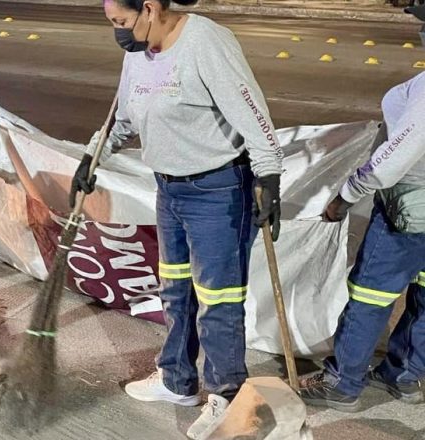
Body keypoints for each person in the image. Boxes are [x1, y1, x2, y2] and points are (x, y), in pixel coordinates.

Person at [73, 1, 283, 437]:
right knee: (176, 289)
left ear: (149, 8)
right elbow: (122, 117)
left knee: (218, 301)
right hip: (168, 189)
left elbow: (253, 113)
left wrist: (269, 175)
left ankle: (228, 396)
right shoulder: (137, 53)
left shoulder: (205, 42)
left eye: (122, 22)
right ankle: (177, 379)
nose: (119, 34)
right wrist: (92, 157)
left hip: (216, 190)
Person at [299, 5, 425, 412]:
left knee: (371, 297)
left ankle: (343, 383)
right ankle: (404, 374)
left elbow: (393, 159)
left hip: (409, 217)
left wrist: (347, 195)